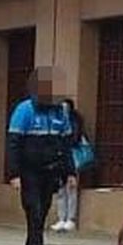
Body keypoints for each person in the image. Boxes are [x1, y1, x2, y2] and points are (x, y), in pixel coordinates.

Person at [5, 69, 74, 245]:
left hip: (50, 172)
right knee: (33, 212)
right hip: (29, 172)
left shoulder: (61, 112)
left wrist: (70, 173)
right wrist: (14, 174)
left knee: (40, 215)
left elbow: (66, 145)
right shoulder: (24, 110)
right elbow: (13, 144)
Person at [51, 98, 86, 234]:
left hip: (71, 156)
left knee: (71, 188)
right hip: (60, 158)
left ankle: (71, 218)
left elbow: (75, 138)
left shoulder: (74, 121)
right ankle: (61, 218)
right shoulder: (57, 120)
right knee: (60, 189)